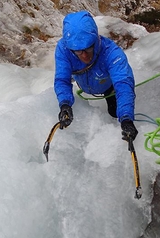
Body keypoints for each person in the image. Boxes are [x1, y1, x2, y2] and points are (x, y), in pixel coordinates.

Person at [54, 10, 138, 142]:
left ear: (95, 40)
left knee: (114, 112)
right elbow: (62, 79)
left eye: (88, 48)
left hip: (108, 87)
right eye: (78, 51)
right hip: (87, 83)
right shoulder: (64, 49)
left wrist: (127, 119)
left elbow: (123, 83)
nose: (85, 55)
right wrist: (65, 104)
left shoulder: (112, 53)